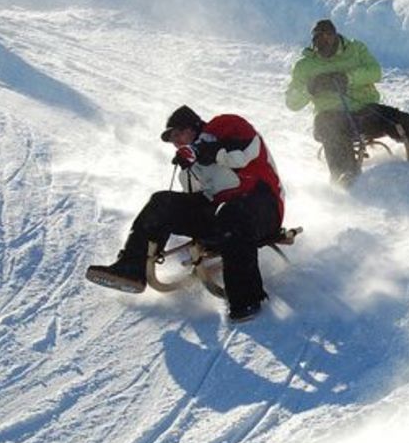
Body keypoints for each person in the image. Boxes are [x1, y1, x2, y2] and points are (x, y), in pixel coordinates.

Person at [86, 105, 284, 322]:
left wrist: (201, 151)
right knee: (163, 201)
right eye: (173, 139)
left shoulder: (226, 125)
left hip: (262, 205)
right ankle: (131, 268)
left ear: (194, 127)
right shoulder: (192, 166)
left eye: (179, 133)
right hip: (222, 216)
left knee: (232, 213)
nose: (177, 141)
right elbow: (197, 200)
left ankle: (246, 298)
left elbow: (243, 154)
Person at [285, 19, 409, 185]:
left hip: (364, 111)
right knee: (328, 126)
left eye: (328, 38)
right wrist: (309, 88)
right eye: (319, 40)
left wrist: (349, 78)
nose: (324, 43)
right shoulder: (304, 66)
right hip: (331, 117)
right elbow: (292, 103)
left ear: (336, 37)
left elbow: (375, 71)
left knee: (388, 116)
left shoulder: (355, 49)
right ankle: (344, 173)